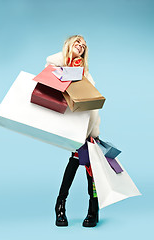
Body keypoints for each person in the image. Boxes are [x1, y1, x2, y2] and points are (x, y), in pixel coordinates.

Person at [45, 35, 101, 227]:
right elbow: (49, 77)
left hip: (86, 127)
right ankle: (78, 207)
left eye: (84, 45)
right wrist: (66, 60)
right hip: (70, 124)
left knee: (86, 164)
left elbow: (92, 104)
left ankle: (86, 208)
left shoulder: (86, 73)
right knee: (81, 161)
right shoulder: (56, 65)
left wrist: (92, 132)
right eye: (77, 43)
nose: (81, 46)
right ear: (68, 45)